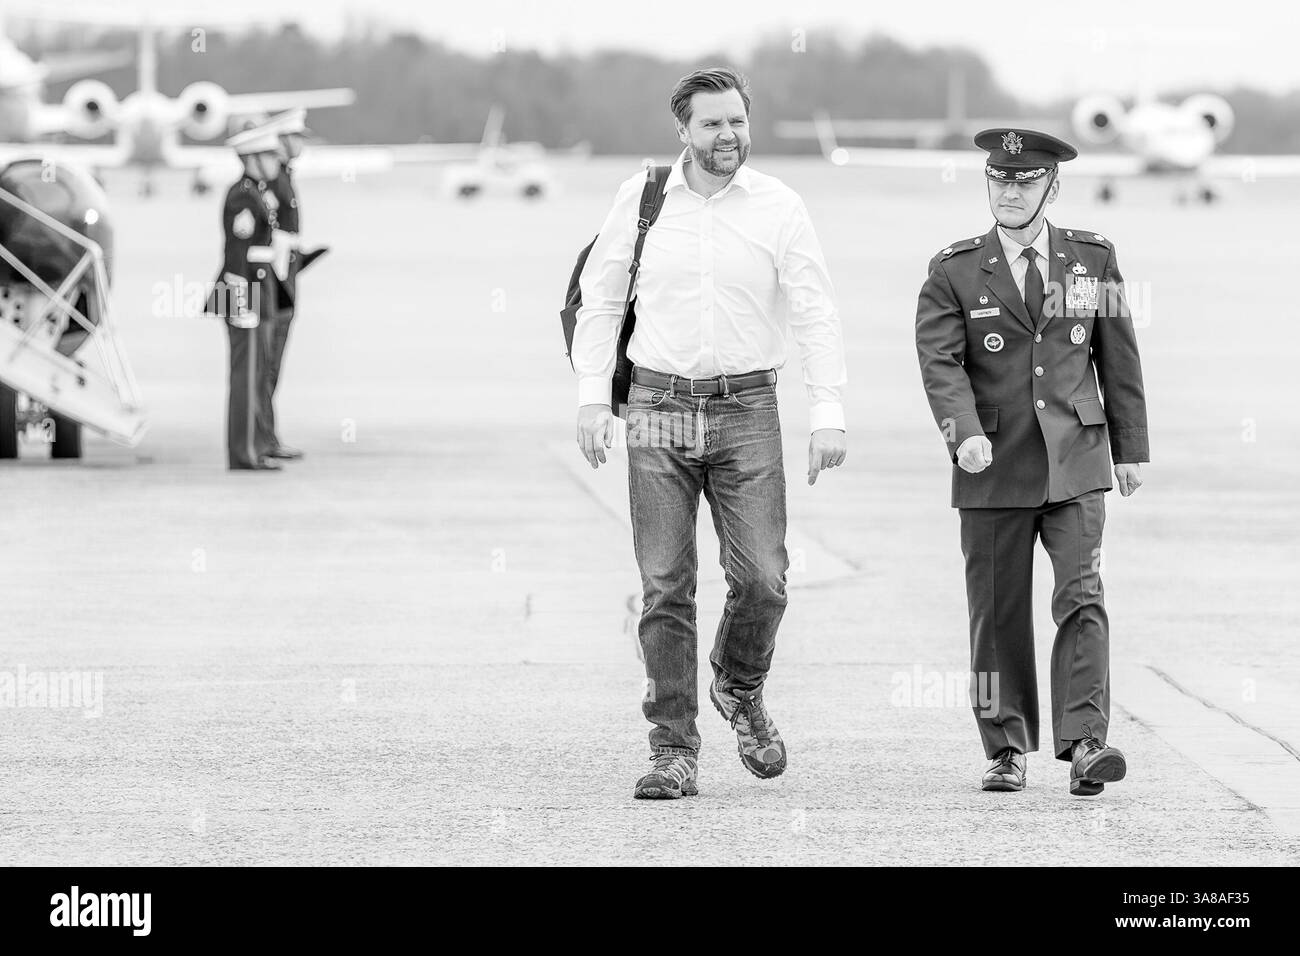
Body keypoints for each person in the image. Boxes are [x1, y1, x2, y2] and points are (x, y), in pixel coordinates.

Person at [572, 68, 848, 800]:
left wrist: (828, 413)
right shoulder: (643, 199)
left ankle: (738, 681)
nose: (729, 137)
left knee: (764, 578)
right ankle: (673, 749)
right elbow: (600, 300)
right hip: (657, 404)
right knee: (665, 585)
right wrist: (592, 400)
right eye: (712, 125)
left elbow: (816, 310)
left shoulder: (779, 206)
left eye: (737, 122)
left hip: (747, 407)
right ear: (683, 133)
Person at [914, 128, 1149, 796]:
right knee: (998, 612)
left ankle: (1086, 744)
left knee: (1082, 597)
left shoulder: (1092, 260)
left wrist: (1129, 450)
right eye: (999, 180)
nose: (1010, 192)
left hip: (1076, 460)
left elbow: (1117, 358)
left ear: (1051, 186)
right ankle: (1005, 746)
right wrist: (961, 432)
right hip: (991, 466)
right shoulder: (956, 269)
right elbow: (940, 362)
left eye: (1023, 181)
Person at [203, 121, 289, 471]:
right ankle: (243, 453)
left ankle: (253, 447)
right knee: (245, 377)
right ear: (252, 157)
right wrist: (240, 301)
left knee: (254, 375)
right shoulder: (243, 195)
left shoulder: (256, 192)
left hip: (254, 289)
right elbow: (238, 253)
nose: (275, 160)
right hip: (242, 291)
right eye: (269, 154)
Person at [262, 107, 321, 461]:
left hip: (284, 279)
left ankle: (266, 435)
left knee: (271, 366)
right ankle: (263, 437)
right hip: (273, 285)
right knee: (265, 364)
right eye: (296, 136)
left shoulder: (283, 177)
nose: (301, 143)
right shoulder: (275, 180)